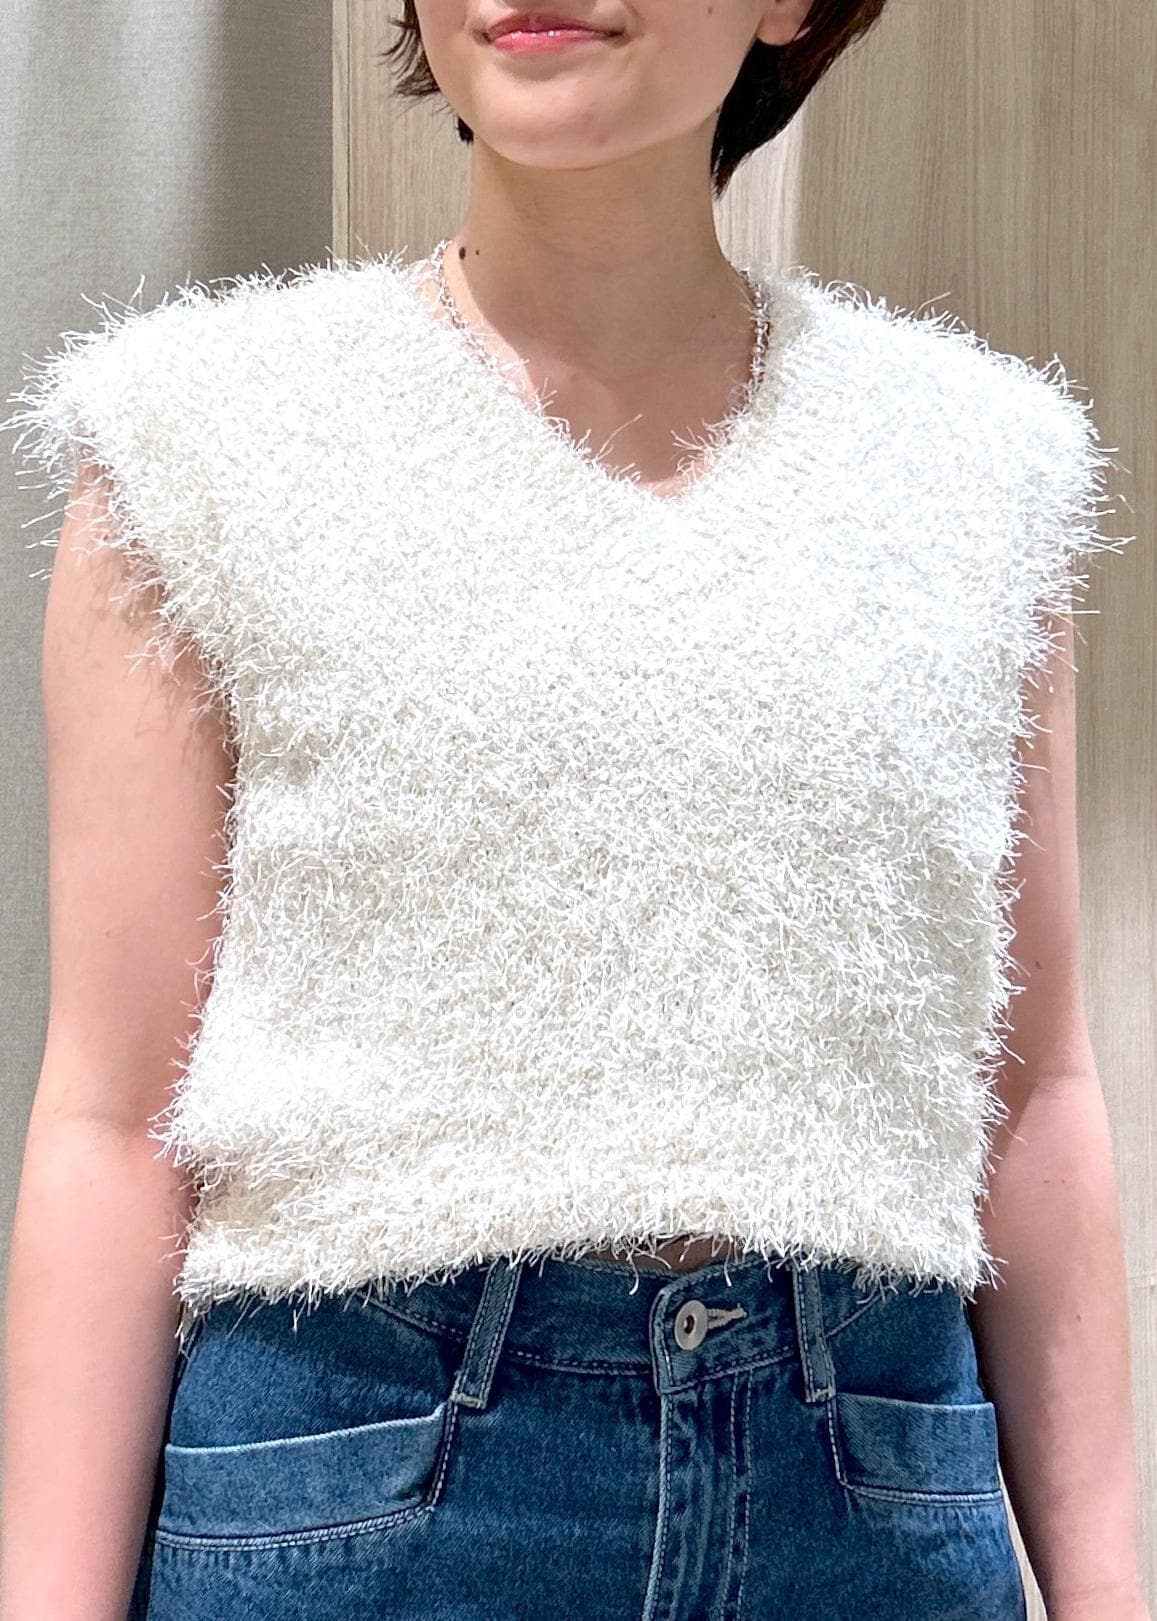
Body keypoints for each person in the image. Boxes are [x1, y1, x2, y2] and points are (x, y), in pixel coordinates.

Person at [0, 1, 1147, 1617]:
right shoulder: (196, 436)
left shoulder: (981, 467)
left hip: (869, 1490)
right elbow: (114, 1118)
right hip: (356, 1485)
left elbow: (1030, 1094)